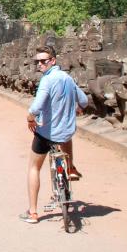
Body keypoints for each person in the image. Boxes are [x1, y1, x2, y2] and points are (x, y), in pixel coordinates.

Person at [21, 45, 88, 224]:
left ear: (53, 60)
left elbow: (37, 106)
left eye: (44, 61)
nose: (40, 64)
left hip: (46, 133)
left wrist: (30, 118)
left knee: (34, 168)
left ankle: (33, 212)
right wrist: (78, 107)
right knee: (66, 135)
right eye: (38, 61)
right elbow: (84, 100)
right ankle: (70, 167)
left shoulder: (47, 80)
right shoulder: (67, 78)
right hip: (65, 131)